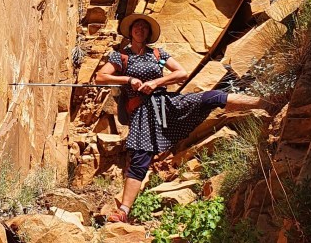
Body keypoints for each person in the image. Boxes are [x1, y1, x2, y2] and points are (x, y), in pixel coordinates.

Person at [95, 13, 270, 223]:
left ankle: (265, 102)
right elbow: (100, 77)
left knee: (211, 97)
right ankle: (123, 211)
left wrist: (156, 83)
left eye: (144, 27)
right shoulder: (121, 57)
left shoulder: (157, 53)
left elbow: (181, 73)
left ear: (148, 33)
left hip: (165, 105)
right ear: (130, 31)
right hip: (142, 112)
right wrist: (129, 79)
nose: (140, 29)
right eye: (137, 26)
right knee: (140, 157)